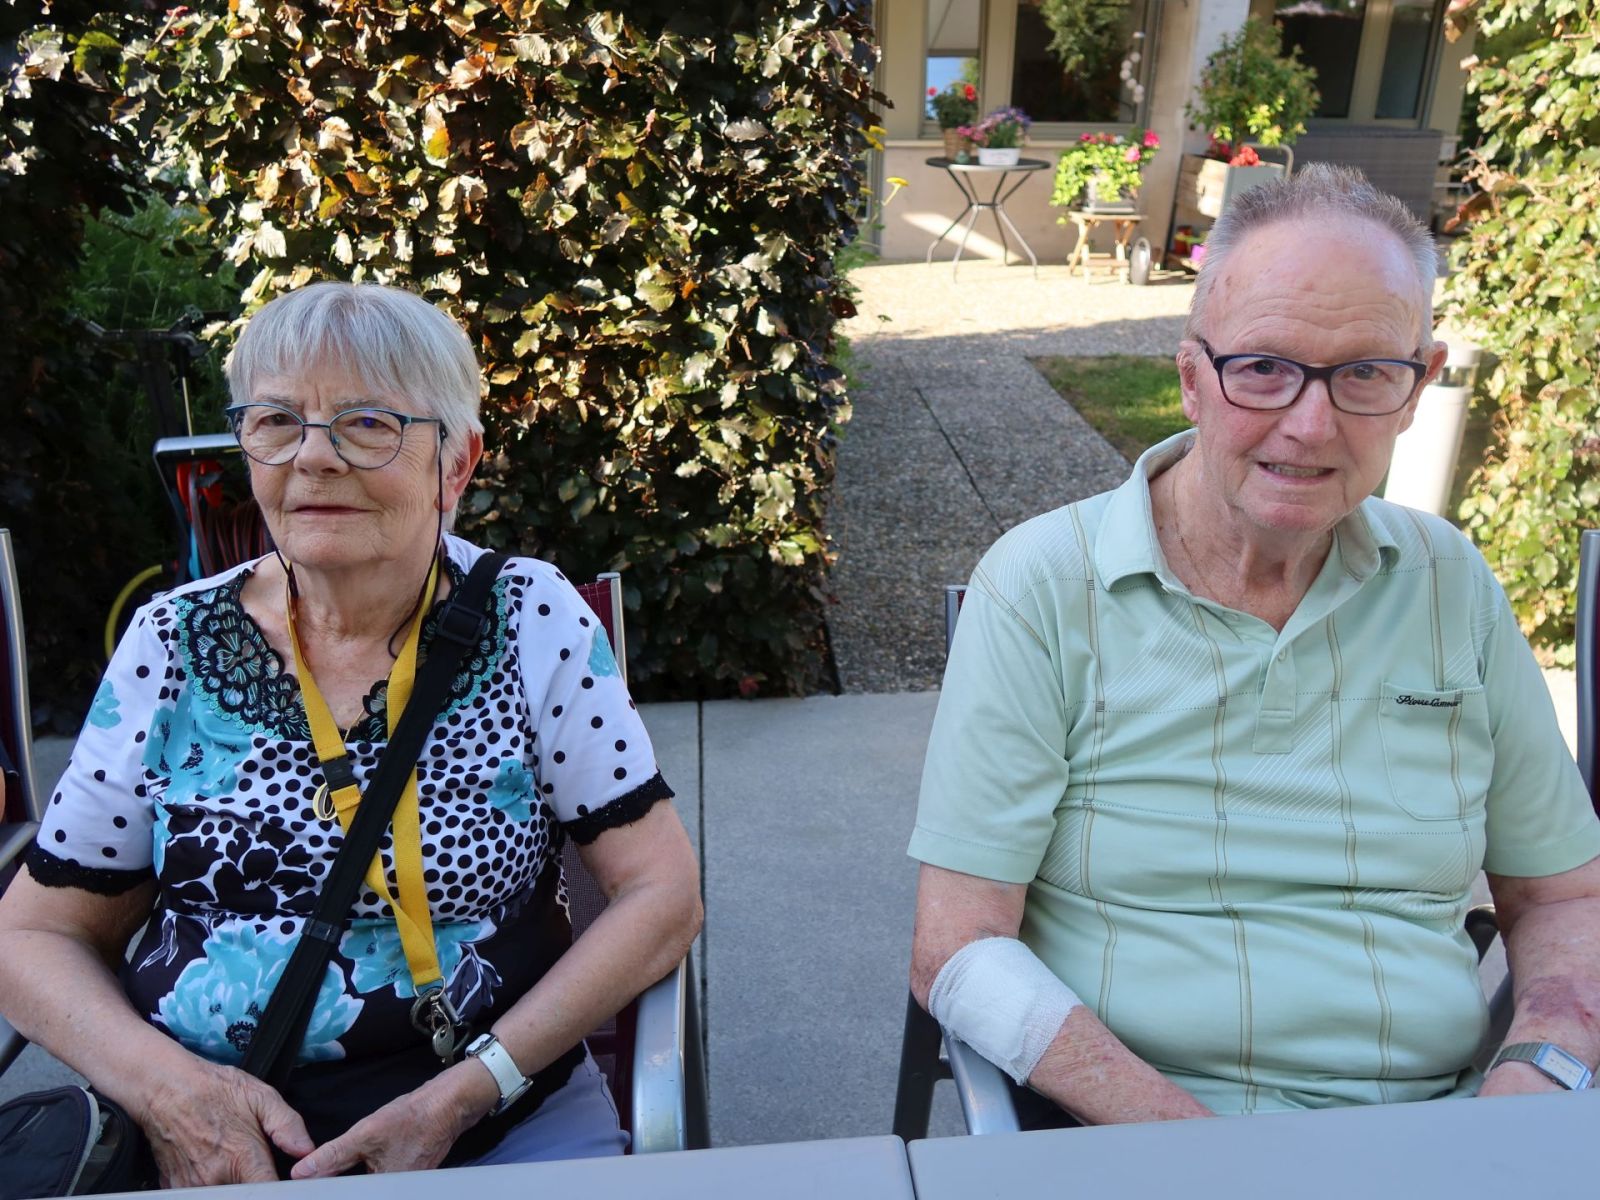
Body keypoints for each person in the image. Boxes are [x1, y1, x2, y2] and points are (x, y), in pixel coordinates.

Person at [908, 165, 1600, 1124]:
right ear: (1192, 379)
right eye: (1264, 367)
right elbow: (958, 946)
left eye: (1365, 373)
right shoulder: (1043, 587)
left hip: (1430, 1126)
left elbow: (1565, 896)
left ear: (1418, 388)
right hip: (1135, 1130)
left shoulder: (1451, 585)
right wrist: (1201, 1154)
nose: (1311, 425)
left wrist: (1535, 1078)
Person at [0, 282, 703, 1183]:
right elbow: (35, 934)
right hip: (208, 1148)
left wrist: (467, 1093)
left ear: (456, 463)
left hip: (493, 1122)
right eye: (277, 422)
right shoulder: (170, 642)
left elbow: (660, 891)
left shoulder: (531, 619)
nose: (313, 457)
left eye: (368, 424)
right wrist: (171, 1095)